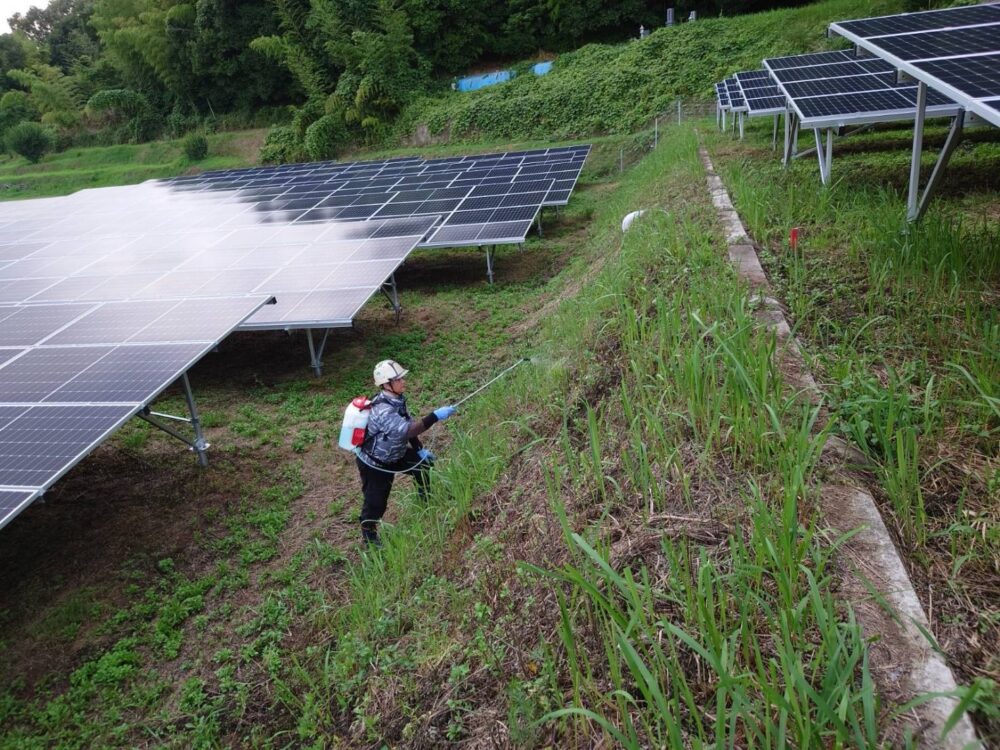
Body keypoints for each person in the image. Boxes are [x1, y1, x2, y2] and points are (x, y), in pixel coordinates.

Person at [355, 359, 456, 546]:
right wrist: (434, 416)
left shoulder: (397, 400)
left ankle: (425, 497)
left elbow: (407, 423)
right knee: (376, 502)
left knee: (423, 465)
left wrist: (419, 450)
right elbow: (408, 430)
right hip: (376, 463)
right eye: (398, 379)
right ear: (386, 384)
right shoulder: (382, 409)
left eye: (402, 378)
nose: (403, 382)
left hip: (396, 454)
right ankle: (368, 534)